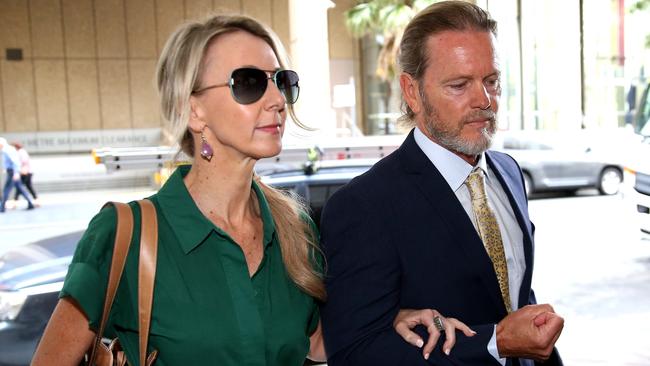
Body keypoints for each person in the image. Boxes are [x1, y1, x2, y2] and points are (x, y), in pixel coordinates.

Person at [31, 13, 467, 366]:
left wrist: (386, 320)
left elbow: (316, 344)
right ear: (194, 110)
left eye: (281, 81)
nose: (277, 99)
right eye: (249, 83)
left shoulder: (294, 227)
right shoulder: (123, 235)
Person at [319, 2, 564, 366]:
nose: (485, 101)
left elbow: (514, 299)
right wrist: (493, 343)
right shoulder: (364, 206)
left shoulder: (509, 172)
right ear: (412, 92)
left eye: (492, 81)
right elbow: (357, 352)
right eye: (460, 85)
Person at [0, 137, 35, 212]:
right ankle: (30, 203)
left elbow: (15, 162)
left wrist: (16, 173)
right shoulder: (7, 150)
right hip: (12, 171)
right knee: (20, 188)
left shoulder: (7, 150)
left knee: (7, 189)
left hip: (12, 172)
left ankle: (2, 207)